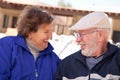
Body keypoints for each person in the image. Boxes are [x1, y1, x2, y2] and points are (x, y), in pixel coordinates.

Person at [0, 6, 60, 80]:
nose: (50, 36)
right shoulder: (7, 47)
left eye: (51, 32)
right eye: (46, 32)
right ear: (29, 32)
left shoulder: (53, 59)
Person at [55, 12, 120, 80]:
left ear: (100, 35)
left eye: (81, 35)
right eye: (77, 35)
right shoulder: (67, 64)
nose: (77, 40)